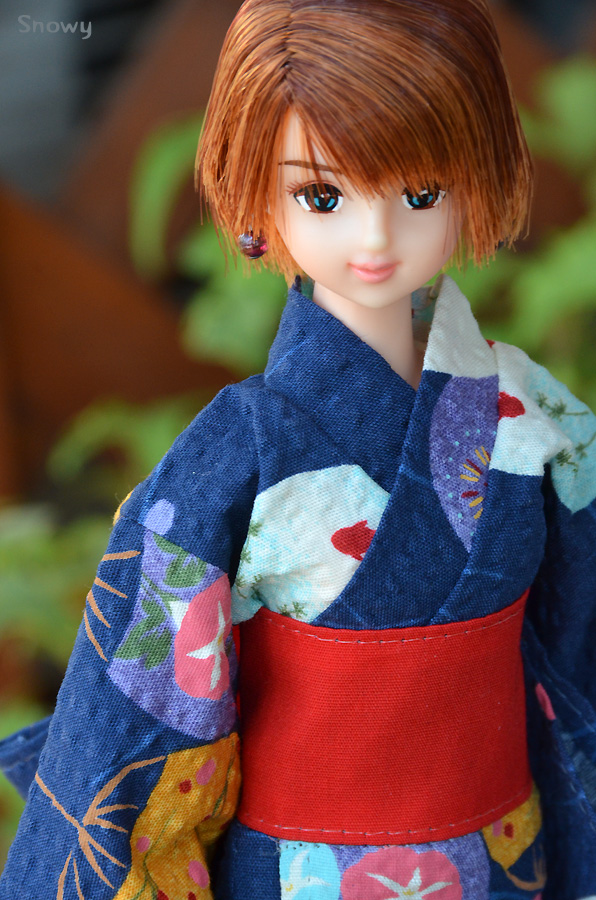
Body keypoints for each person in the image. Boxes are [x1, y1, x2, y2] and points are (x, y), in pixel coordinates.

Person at [2, 0, 596, 897]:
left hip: (508, 855)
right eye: (322, 196)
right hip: (302, 873)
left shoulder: (529, 412)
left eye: (421, 194)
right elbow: (145, 697)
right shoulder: (241, 448)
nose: (375, 236)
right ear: (258, 194)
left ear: (478, 176)